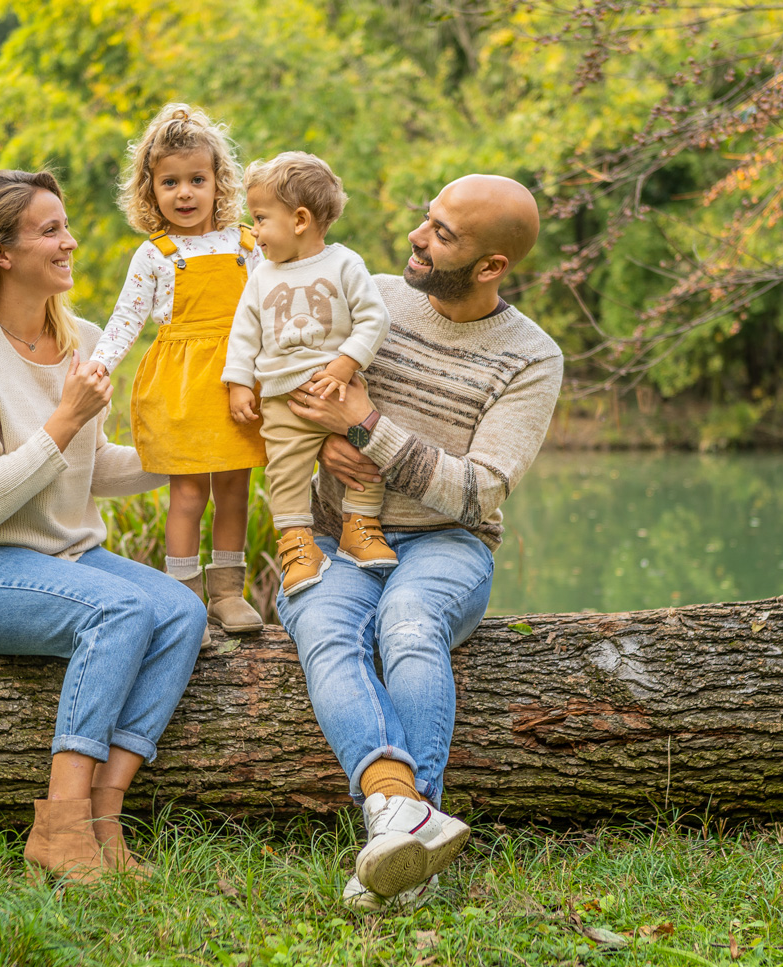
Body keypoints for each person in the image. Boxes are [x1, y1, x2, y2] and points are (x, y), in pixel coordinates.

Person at [0, 169, 208, 884]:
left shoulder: (84, 338)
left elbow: (90, 466)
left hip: (65, 558)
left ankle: (104, 820)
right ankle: (61, 823)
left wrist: (188, 456)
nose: (70, 242)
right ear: (3, 251)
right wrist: (66, 414)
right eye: (51, 230)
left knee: (181, 611)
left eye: (65, 226)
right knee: (121, 607)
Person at [276, 175, 563, 911]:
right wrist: (322, 447)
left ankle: (404, 850)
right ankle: (400, 818)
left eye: (443, 234)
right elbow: (285, 389)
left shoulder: (531, 358)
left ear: (493, 266)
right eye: (426, 220)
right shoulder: (368, 294)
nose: (418, 237)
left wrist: (369, 428)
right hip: (339, 534)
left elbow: (479, 491)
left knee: (407, 626)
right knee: (325, 626)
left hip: (446, 546)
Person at [87, 104, 266, 641]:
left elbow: (271, 311)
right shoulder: (155, 254)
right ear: (150, 190)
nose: (184, 193)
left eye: (196, 180)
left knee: (235, 489)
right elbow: (125, 319)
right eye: (170, 182)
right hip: (182, 387)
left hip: (238, 383)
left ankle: (228, 593)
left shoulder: (246, 245)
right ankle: (185, 599)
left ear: (218, 183)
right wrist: (99, 366)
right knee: (189, 493)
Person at [222, 151, 395, 597]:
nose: (254, 232)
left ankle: (360, 525)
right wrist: (240, 383)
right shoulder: (261, 277)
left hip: (340, 389)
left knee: (364, 454)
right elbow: (245, 334)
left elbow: (374, 319)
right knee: (286, 471)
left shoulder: (344, 265)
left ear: (300, 219)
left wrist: (346, 362)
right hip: (283, 399)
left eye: (260, 219)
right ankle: (298, 543)